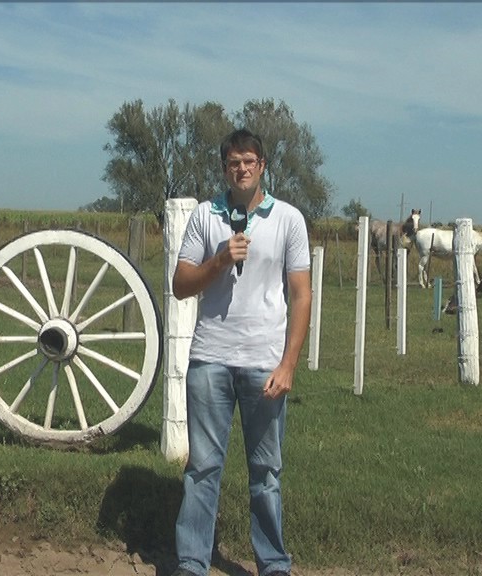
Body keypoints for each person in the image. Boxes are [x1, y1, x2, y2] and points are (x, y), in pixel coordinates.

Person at [171, 128, 312, 576]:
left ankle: (273, 564)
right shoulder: (205, 216)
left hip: (264, 362)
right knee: (202, 468)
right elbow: (180, 285)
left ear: (263, 166)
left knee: (266, 472)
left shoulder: (288, 219)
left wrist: (288, 365)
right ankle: (192, 562)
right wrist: (219, 260)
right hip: (210, 357)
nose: (242, 169)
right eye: (234, 162)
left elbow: (301, 295)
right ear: (224, 168)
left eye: (250, 161)